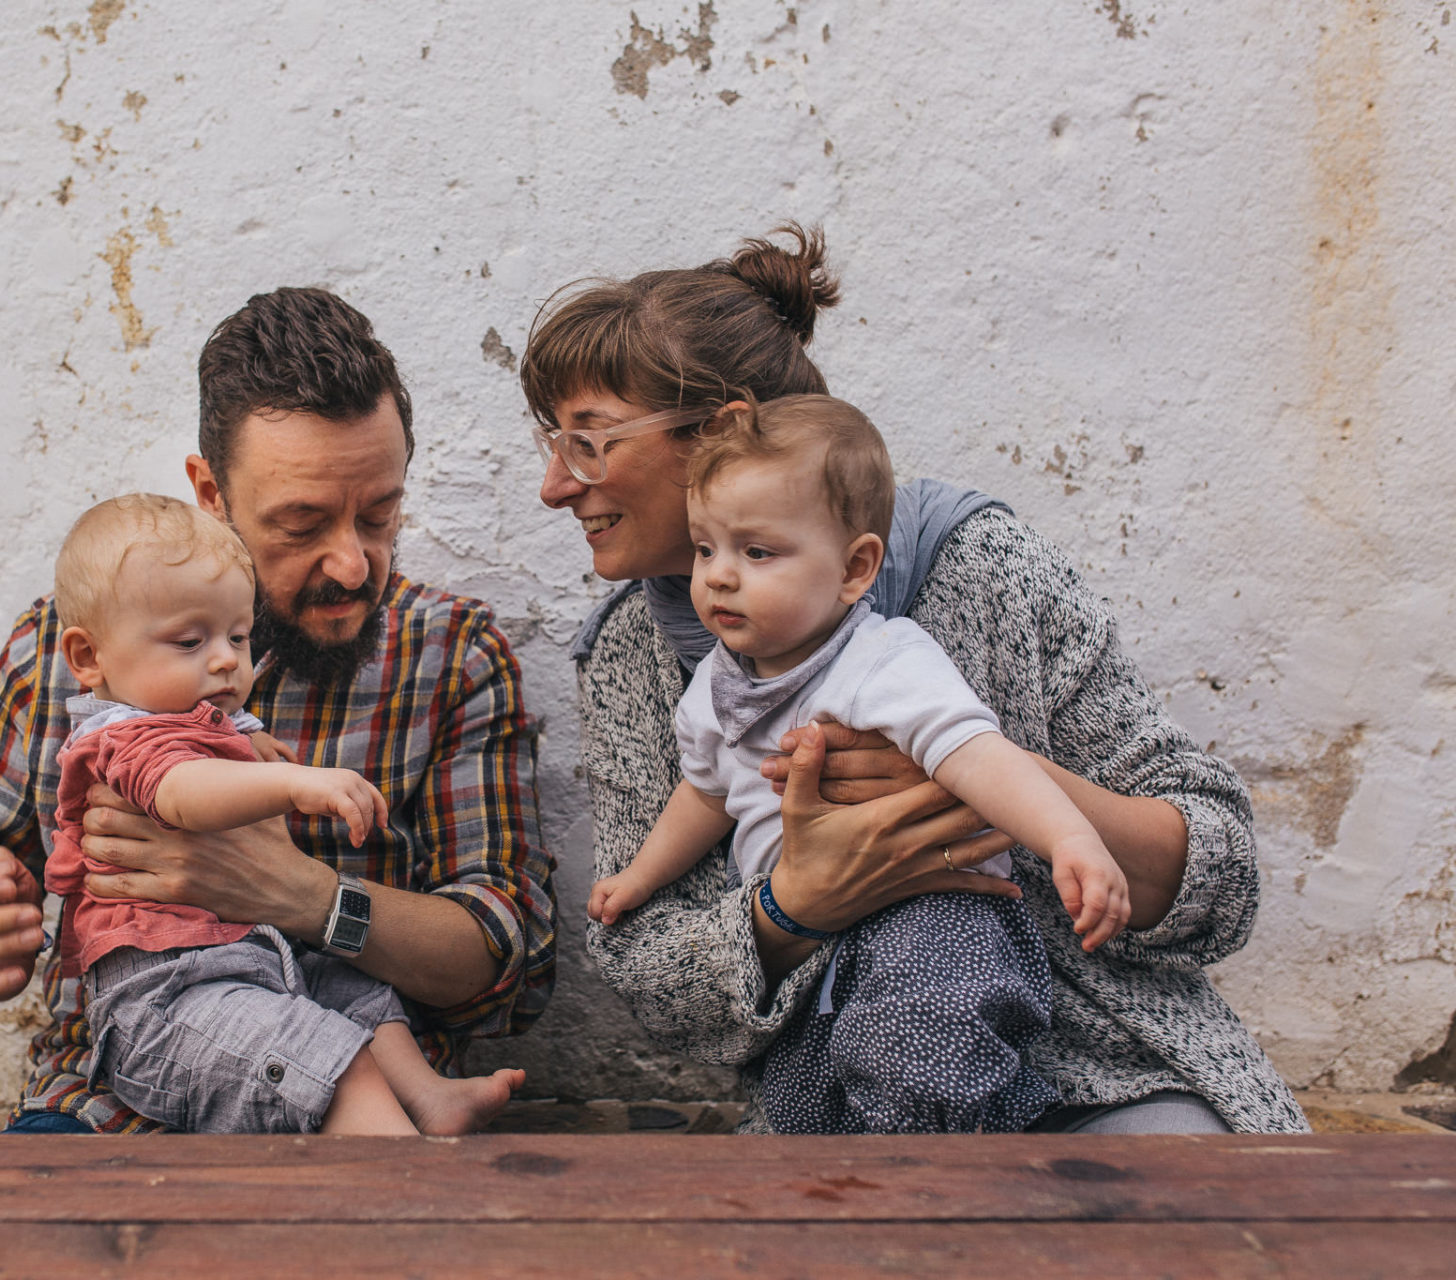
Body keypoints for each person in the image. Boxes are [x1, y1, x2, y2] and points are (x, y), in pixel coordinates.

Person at [525, 224, 1307, 1134]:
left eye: (588, 443)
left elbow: (1224, 873)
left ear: (722, 432)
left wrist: (991, 787)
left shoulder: (977, 564)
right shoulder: (634, 657)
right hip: (850, 1088)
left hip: (1111, 1069)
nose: (554, 485)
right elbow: (643, 965)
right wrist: (797, 905)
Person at [0, 287, 555, 1133]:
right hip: (103, 1118)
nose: (352, 563)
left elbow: (507, 963)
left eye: (379, 515)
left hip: (358, 1121)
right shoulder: (69, 650)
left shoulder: (450, 656)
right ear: (210, 492)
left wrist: (307, 897)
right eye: (301, 523)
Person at [587, 394, 1130, 1133]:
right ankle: (871, 1194)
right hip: (823, 952)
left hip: (933, 917)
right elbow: (706, 794)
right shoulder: (716, 686)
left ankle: (944, 1186)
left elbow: (978, 757)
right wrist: (640, 876)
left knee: (920, 1060)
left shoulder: (881, 663)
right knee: (811, 1101)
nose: (718, 576)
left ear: (855, 569)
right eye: (705, 548)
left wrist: (1070, 838)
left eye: (756, 552)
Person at [42, 493, 524, 1134]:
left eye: (238, 637)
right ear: (88, 658)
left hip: (251, 960)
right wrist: (289, 781)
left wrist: (256, 753)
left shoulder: (203, 718)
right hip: (166, 997)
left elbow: (218, 755)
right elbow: (182, 792)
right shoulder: (124, 736)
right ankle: (402, 1172)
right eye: (190, 641)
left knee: (352, 986)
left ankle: (429, 1096)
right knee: (324, 1057)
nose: (224, 659)